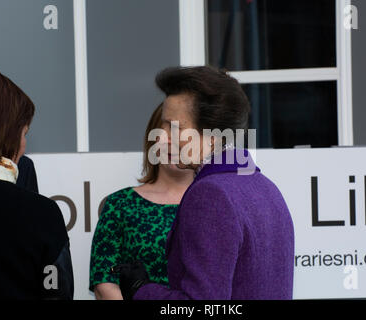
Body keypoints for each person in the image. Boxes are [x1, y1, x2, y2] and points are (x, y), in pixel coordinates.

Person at [114, 66, 295, 300]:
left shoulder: (210, 194)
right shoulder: (266, 188)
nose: (160, 137)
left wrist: (142, 290)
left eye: (174, 126)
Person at [0, 67, 73, 299]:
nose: (24, 145)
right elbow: (56, 293)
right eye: (24, 134)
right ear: (9, 135)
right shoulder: (42, 214)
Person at [89, 103, 194, 300]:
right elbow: (105, 284)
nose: (176, 143)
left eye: (185, 135)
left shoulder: (218, 204)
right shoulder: (119, 204)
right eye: (168, 133)